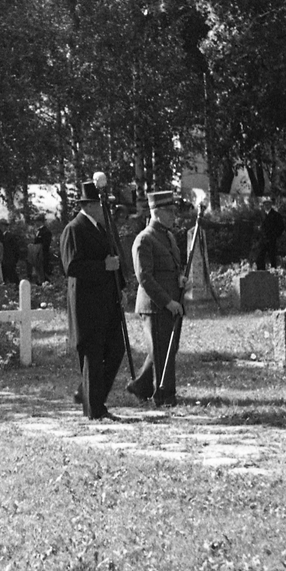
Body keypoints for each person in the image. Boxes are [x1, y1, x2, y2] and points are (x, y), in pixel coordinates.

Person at [60, 180, 125, 421]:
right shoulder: (74, 229)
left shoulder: (101, 227)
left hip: (107, 301)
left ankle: (91, 394)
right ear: (88, 205)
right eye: (99, 204)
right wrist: (103, 267)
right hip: (87, 304)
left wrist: (121, 286)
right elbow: (72, 266)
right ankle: (94, 409)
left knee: (116, 348)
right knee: (93, 355)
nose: (104, 209)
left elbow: (114, 258)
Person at [127, 191, 186, 407]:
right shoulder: (144, 239)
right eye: (169, 211)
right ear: (156, 212)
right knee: (162, 351)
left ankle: (141, 385)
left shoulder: (168, 236)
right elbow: (145, 278)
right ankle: (165, 395)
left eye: (173, 211)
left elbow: (173, 265)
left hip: (172, 303)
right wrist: (167, 302)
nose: (173, 215)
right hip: (154, 306)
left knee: (167, 348)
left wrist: (180, 278)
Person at [255, 199, 285, 270]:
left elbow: (281, 227)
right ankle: (261, 273)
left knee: (272, 258)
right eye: (265, 204)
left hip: (272, 240)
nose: (266, 205)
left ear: (271, 204)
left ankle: (273, 273)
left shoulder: (276, 215)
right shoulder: (260, 215)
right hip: (263, 240)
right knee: (260, 257)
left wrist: (275, 235)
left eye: (268, 204)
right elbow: (257, 226)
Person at [30, 214, 53, 283]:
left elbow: (46, 244)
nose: (35, 223)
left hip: (43, 256)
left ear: (40, 221)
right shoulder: (37, 231)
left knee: (44, 273)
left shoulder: (46, 232)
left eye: (36, 221)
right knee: (38, 273)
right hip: (37, 256)